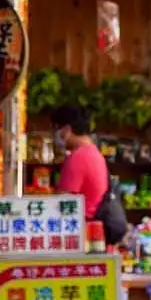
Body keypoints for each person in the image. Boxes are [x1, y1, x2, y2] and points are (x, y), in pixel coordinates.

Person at [51, 104, 129, 245]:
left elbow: (61, 204)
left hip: (81, 235)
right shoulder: (94, 152)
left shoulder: (77, 157)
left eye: (56, 129)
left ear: (67, 130)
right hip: (94, 234)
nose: (54, 135)